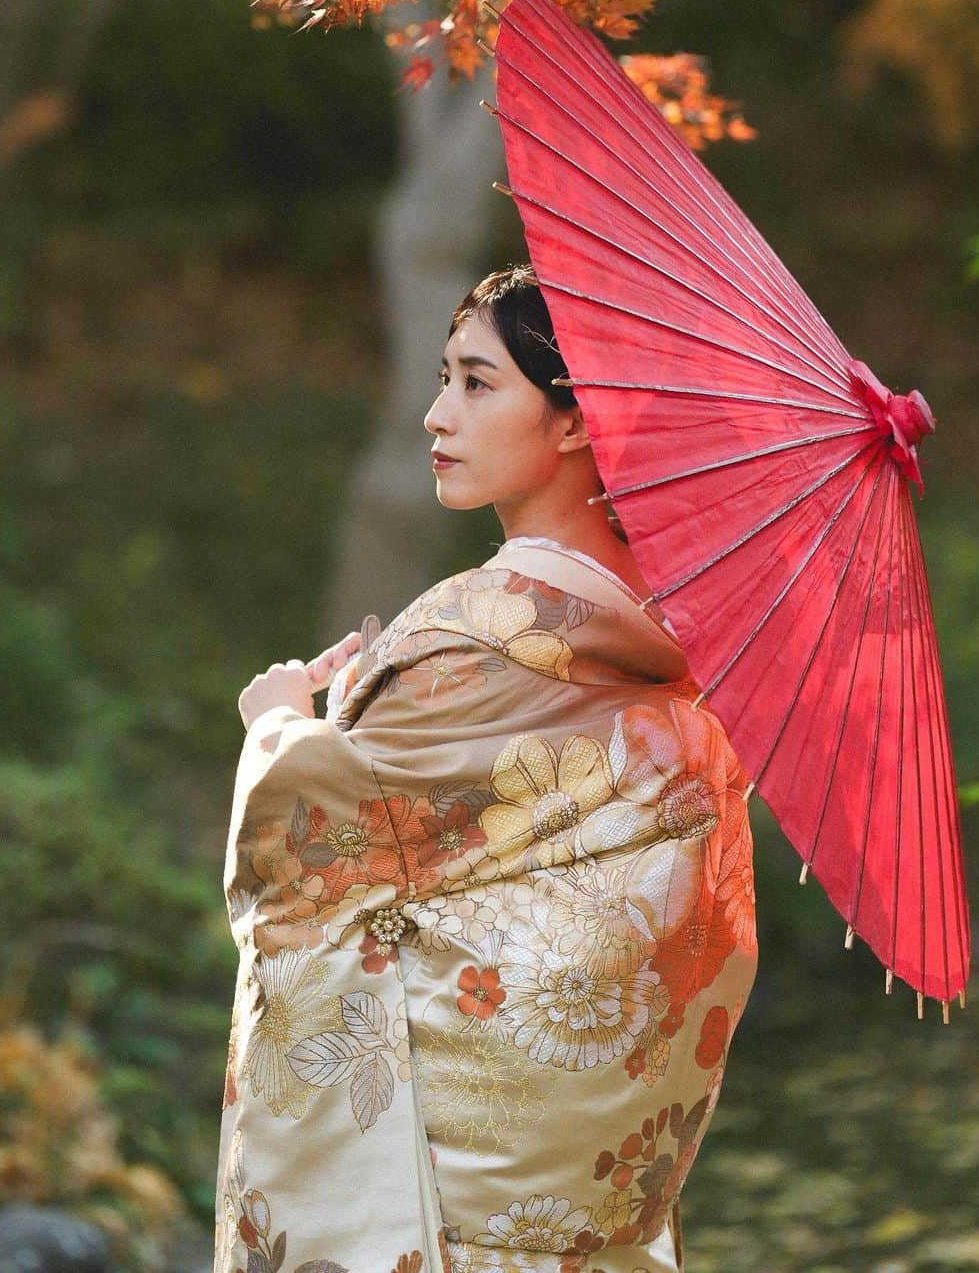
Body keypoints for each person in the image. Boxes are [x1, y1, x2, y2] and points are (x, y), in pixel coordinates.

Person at [215, 263, 758, 1273]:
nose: (435, 414)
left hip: (449, 1207)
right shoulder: (677, 649)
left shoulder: (480, 635)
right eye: (442, 378)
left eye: (476, 382)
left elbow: (310, 851)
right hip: (580, 1207)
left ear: (573, 422)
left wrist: (280, 726)